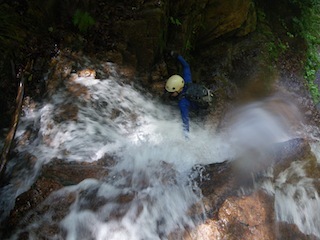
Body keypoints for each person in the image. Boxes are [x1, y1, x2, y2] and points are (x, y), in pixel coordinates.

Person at [165, 51, 213, 136]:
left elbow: (185, 120)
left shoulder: (182, 103)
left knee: (196, 116)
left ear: (178, 90)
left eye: (172, 92)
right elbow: (186, 66)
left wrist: (186, 136)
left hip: (201, 109)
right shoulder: (187, 81)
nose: (170, 94)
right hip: (206, 96)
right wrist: (177, 55)